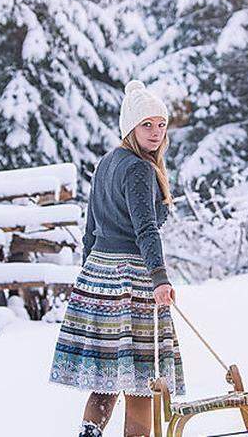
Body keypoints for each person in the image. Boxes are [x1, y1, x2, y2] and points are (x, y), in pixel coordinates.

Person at [48, 79, 186, 437]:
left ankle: (89, 433)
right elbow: (146, 229)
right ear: (130, 127)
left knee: (108, 376)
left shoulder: (107, 163)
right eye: (147, 125)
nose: (156, 133)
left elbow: (90, 230)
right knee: (141, 378)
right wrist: (160, 277)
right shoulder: (139, 168)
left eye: (161, 125)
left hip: (99, 277)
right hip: (131, 281)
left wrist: (87, 280)